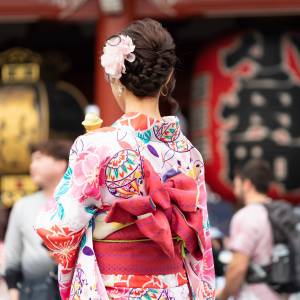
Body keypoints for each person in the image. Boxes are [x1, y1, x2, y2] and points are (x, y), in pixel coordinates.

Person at [35, 18, 215, 300]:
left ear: (115, 77)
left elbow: (57, 230)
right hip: (175, 288)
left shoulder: (94, 146)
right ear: (168, 78)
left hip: (116, 289)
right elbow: (200, 240)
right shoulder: (187, 152)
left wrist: (106, 227)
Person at [4, 139, 72, 300]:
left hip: (74, 287)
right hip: (32, 291)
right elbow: (12, 259)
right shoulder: (22, 205)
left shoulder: (78, 203)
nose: (32, 166)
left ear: (61, 164)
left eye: (39, 159)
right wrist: (14, 293)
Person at [217, 159, 287, 300]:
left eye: (236, 185)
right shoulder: (280, 212)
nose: (235, 191)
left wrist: (221, 296)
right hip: (282, 294)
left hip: (254, 295)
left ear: (247, 184)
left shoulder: (246, 216)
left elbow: (238, 269)